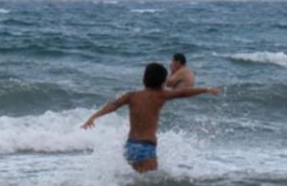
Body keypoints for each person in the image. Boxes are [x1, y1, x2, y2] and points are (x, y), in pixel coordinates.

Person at [82, 63, 218, 173]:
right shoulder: (161, 95)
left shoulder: (132, 95)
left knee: (137, 182)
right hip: (146, 147)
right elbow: (183, 93)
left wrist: (93, 117)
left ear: (144, 79)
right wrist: (205, 89)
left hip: (130, 146)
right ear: (163, 81)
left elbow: (113, 105)